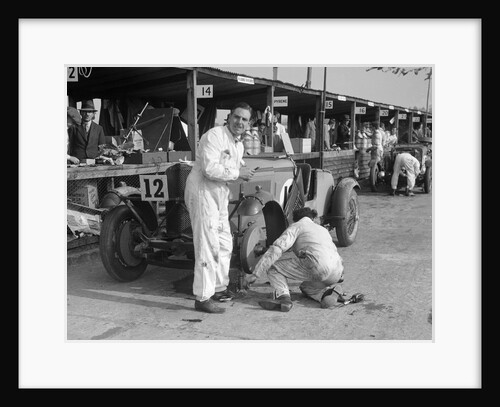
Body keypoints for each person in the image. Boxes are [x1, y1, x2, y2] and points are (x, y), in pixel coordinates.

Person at [184, 102, 258, 314]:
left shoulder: (238, 145)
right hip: (202, 193)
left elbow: (230, 166)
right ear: (229, 117)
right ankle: (203, 297)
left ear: (249, 123)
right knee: (206, 245)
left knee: (225, 243)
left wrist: (240, 169)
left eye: (244, 119)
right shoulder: (214, 136)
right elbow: (209, 169)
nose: (239, 122)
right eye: (236, 117)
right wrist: (238, 174)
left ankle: (218, 287)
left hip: (219, 195)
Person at [244, 207, 363, 312]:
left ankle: (283, 299)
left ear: (295, 219)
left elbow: (277, 249)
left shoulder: (297, 226)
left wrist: (255, 274)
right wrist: (340, 274)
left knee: (273, 268)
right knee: (305, 287)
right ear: (312, 218)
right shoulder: (322, 230)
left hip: (319, 267)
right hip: (337, 272)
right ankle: (327, 294)